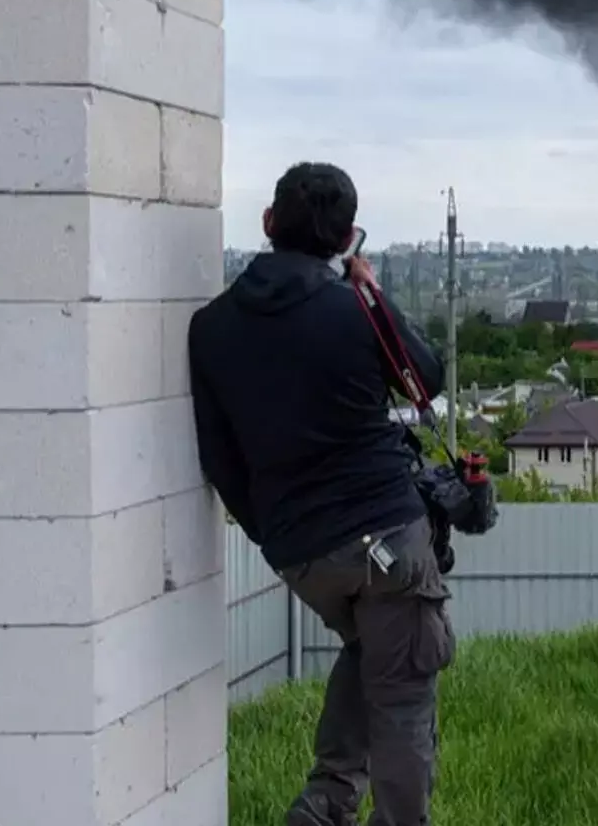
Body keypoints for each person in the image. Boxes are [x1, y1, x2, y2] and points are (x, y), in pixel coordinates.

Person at [188, 163, 453, 826]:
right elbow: (425, 382)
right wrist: (372, 295)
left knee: (374, 651)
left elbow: (218, 458)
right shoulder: (350, 309)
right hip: (385, 537)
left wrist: (276, 533)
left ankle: (326, 804)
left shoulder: (210, 327)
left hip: (300, 552)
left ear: (269, 224)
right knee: (402, 695)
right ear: (346, 242)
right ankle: (347, 806)